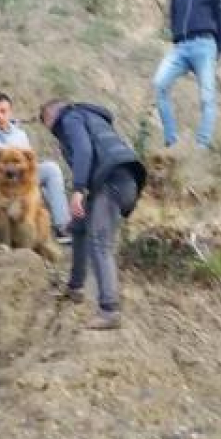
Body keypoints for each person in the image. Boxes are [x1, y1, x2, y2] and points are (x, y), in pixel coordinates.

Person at [40, 99, 146, 330]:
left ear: (50, 117)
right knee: (79, 225)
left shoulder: (70, 117)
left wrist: (78, 189)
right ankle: (76, 287)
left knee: (100, 243)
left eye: (48, 125)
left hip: (113, 182)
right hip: (123, 180)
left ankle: (109, 310)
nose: (52, 132)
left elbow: (83, 149)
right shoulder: (91, 117)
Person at [153, 0, 221, 149]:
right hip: (180, 48)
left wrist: (216, 48)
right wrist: (177, 37)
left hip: (205, 44)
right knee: (159, 84)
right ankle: (171, 140)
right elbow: (173, 18)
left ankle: (201, 145)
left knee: (207, 97)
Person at [0, 92, 71, 244]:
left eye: (3, 111)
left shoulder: (19, 133)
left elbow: (30, 163)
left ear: (10, 112)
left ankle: (62, 225)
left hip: (21, 178)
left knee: (51, 169)